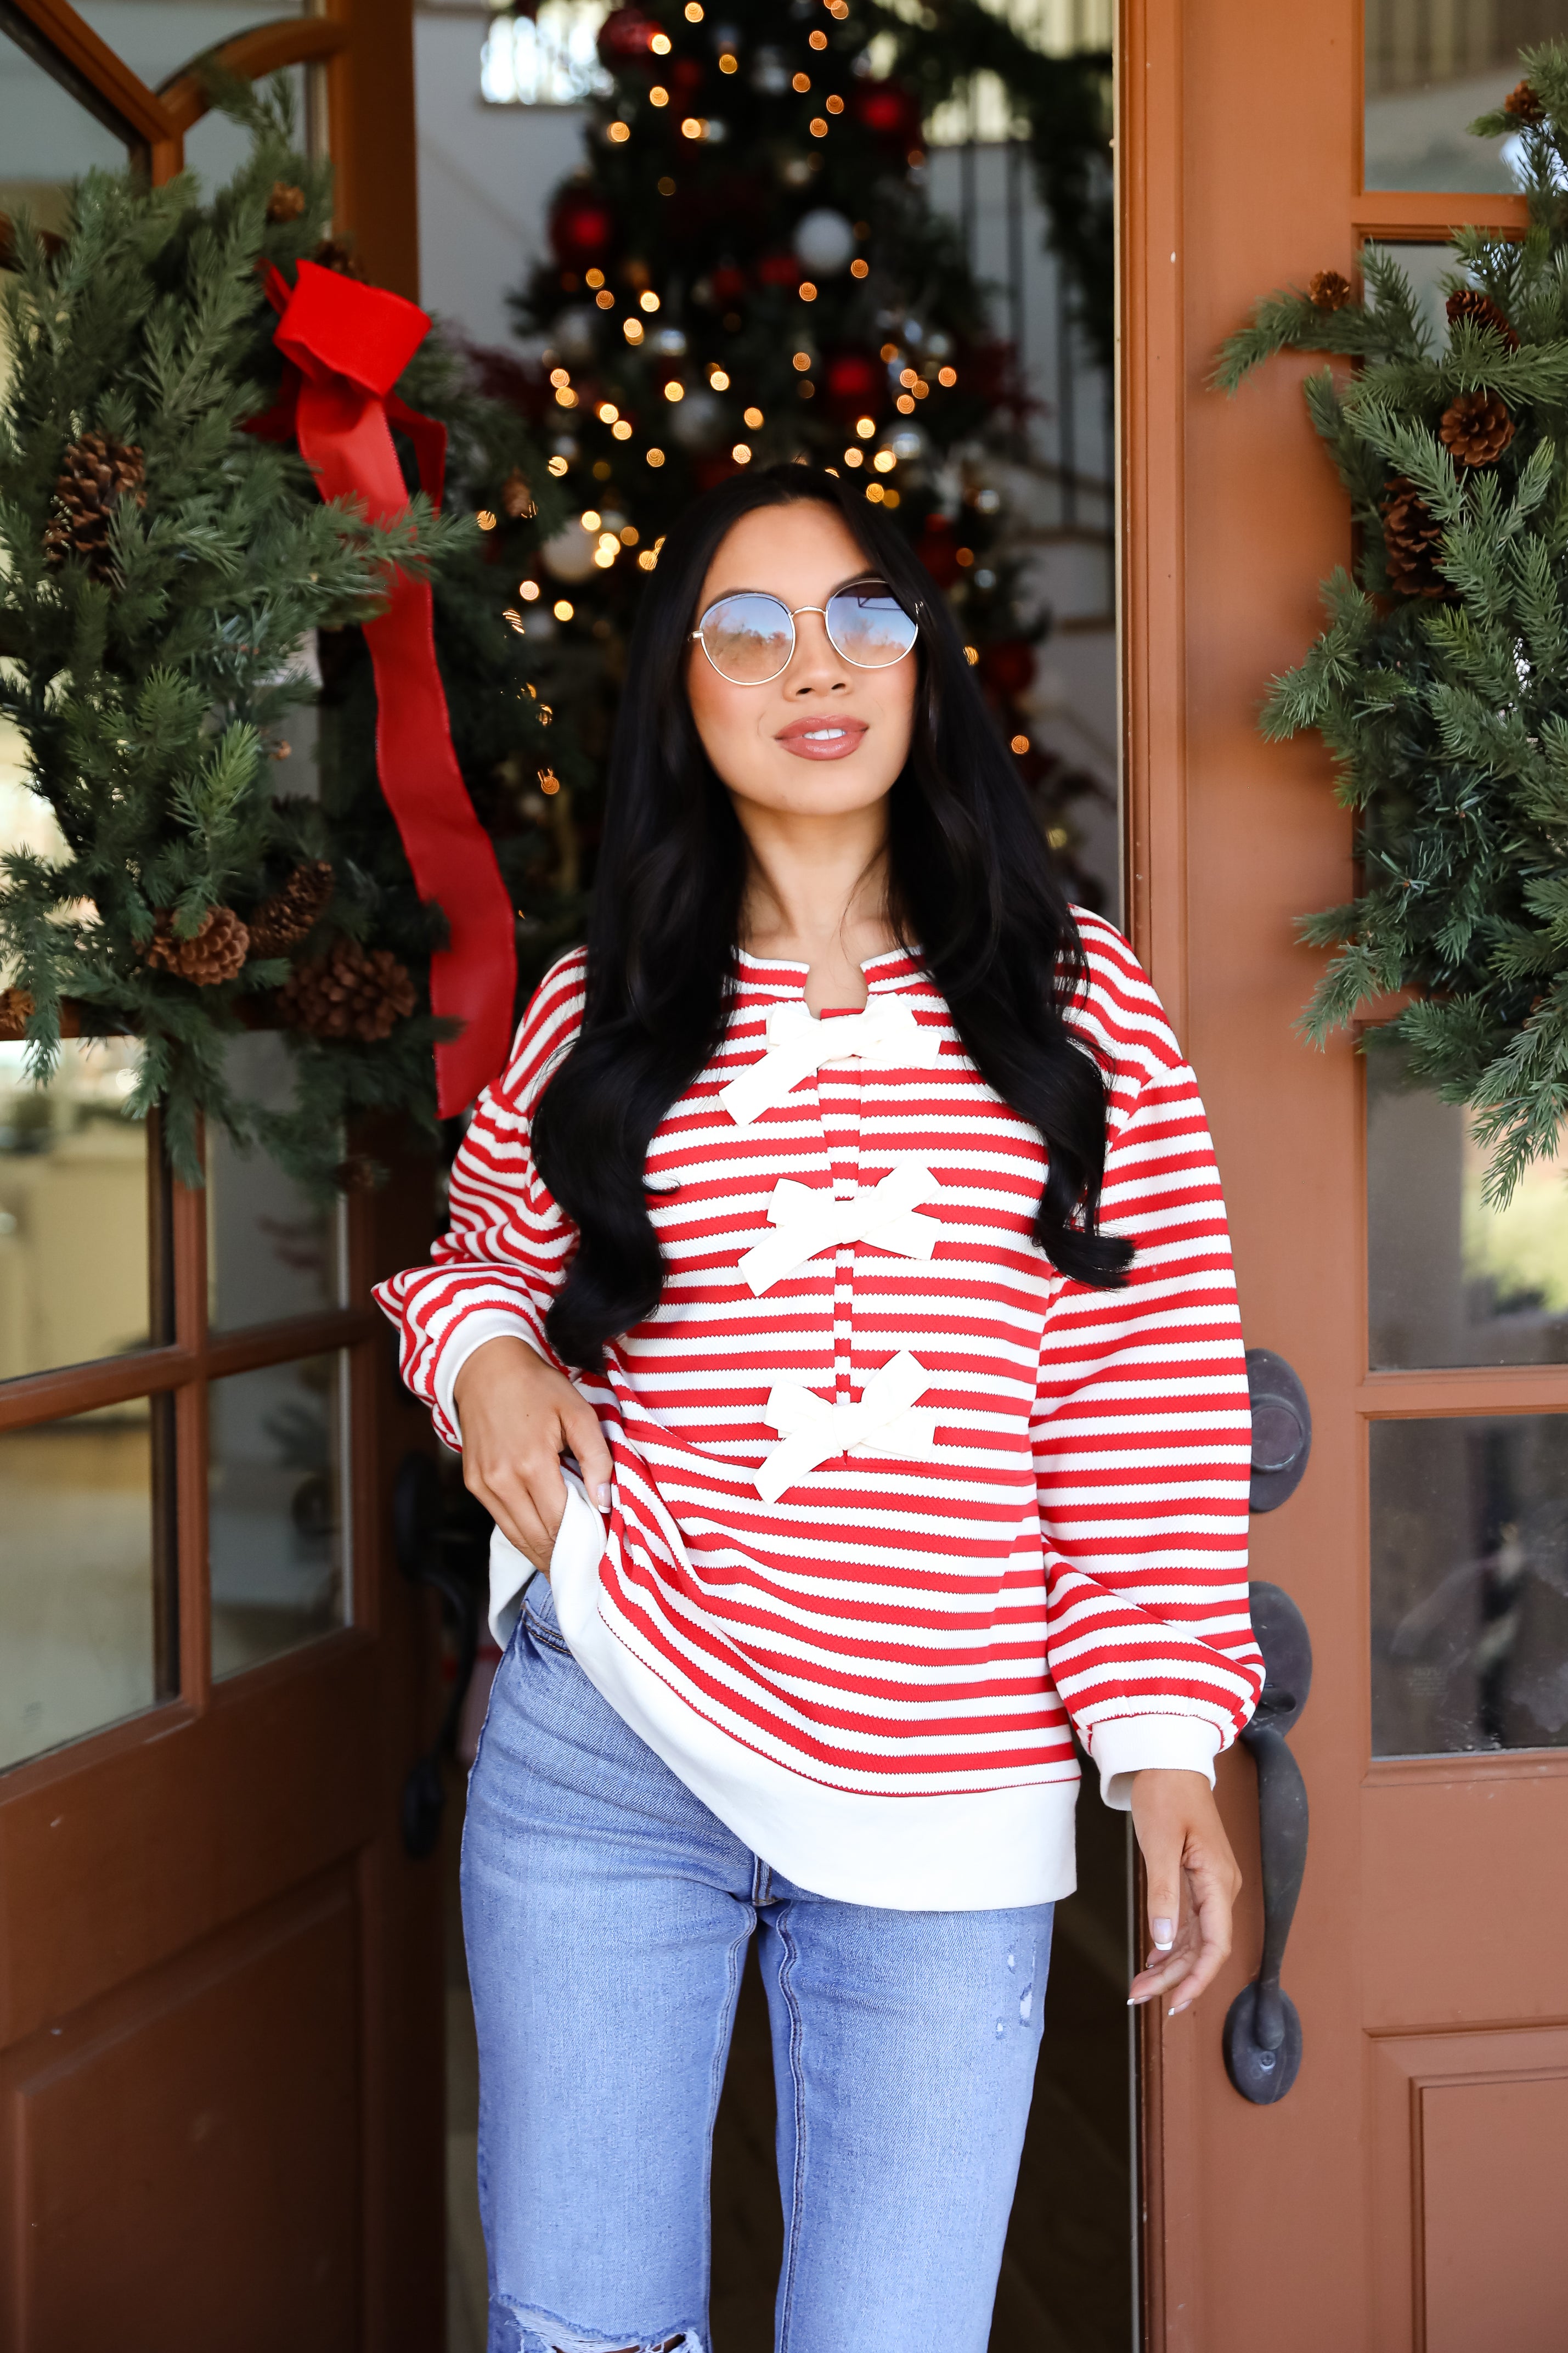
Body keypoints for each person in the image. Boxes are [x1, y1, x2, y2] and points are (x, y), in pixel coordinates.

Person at [377, 465, 1261, 2353]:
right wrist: (496, 1360)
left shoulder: (1073, 1005)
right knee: (581, 2334)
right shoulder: (600, 1005)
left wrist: (1166, 1744)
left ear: (928, 669)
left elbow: (1144, 1388)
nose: (814, 667)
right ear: (682, 698)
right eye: (748, 630)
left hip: (949, 1788)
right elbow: (468, 1271)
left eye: (863, 616)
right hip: (607, 1755)